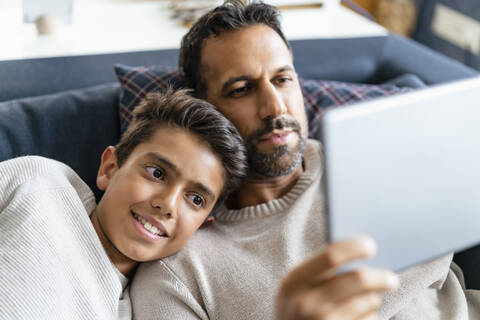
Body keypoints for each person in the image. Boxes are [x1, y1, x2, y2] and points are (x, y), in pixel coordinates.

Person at [130, 1, 480, 320]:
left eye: (282, 79)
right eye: (241, 90)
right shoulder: (178, 266)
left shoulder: (377, 157)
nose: (275, 107)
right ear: (204, 108)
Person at [0, 89, 247, 320]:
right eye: (157, 173)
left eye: (195, 199)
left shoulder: (127, 311)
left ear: (204, 224)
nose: (167, 204)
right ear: (110, 168)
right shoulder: (41, 182)